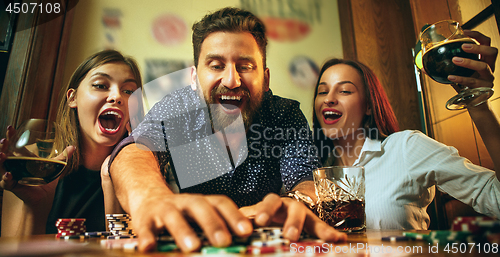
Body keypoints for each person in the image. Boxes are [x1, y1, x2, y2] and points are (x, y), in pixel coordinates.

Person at [107, 7, 346, 253]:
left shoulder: (285, 114)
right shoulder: (178, 108)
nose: (231, 81)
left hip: (268, 246)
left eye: (245, 66)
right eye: (216, 65)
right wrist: (150, 197)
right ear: (194, 77)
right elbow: (134, 150)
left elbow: (307, 180)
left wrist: (297, 201)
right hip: (195, 246)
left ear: (265, 79)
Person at [312, 30, 500, 230]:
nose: (329, 99)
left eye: (345, 91)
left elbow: (495, 198)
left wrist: (479, 108)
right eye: (322, 91)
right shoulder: (311, 171)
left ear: (368, 106)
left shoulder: (404, 147)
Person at [0, 50, 142, 235]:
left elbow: (129, 250)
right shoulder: (33, 162)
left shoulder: (142, 167)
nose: (117, 96)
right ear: (72, 98)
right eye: (100, 85)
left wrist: (111, 180)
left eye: (129, 91)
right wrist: (35, 206)